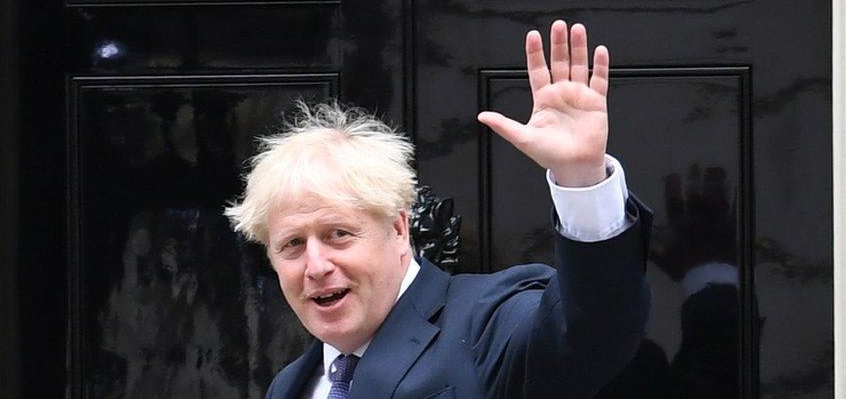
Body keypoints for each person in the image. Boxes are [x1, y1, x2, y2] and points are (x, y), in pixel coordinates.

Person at [225, 20, 652, 398]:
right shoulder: (290, 385)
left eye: (338, 234)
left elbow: (593, 331)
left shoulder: (487, 322)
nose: (316, 265)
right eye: (293, 245)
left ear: (398, 229)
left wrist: (582, 178)